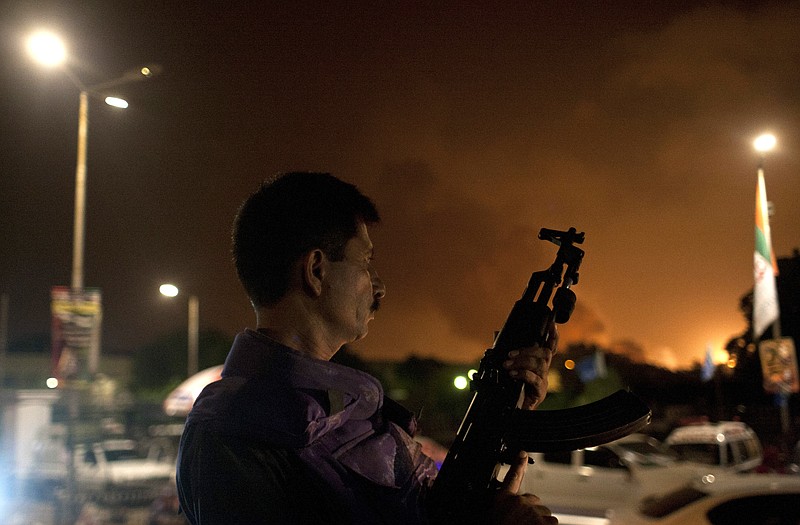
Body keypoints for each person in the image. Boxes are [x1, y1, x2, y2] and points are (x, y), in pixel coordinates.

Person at [175, 172, 558, 524]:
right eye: (365, 262)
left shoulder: (333, 406)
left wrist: (509, 404)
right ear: (317, 271)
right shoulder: (235, 431)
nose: (379, 286)